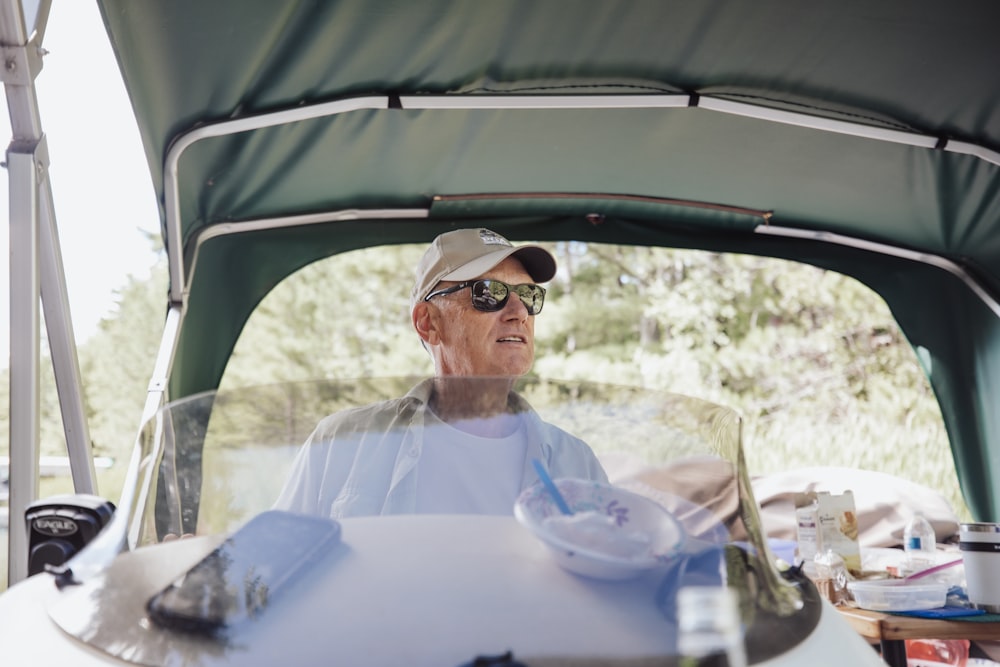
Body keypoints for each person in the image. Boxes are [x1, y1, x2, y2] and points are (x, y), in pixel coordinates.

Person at [275, 227, 608, 518]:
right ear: (427, 322)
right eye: (489, 293)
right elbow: (269, 571)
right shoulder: (341, 442)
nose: (519, 312)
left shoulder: (578, 465)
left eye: (528, 295)